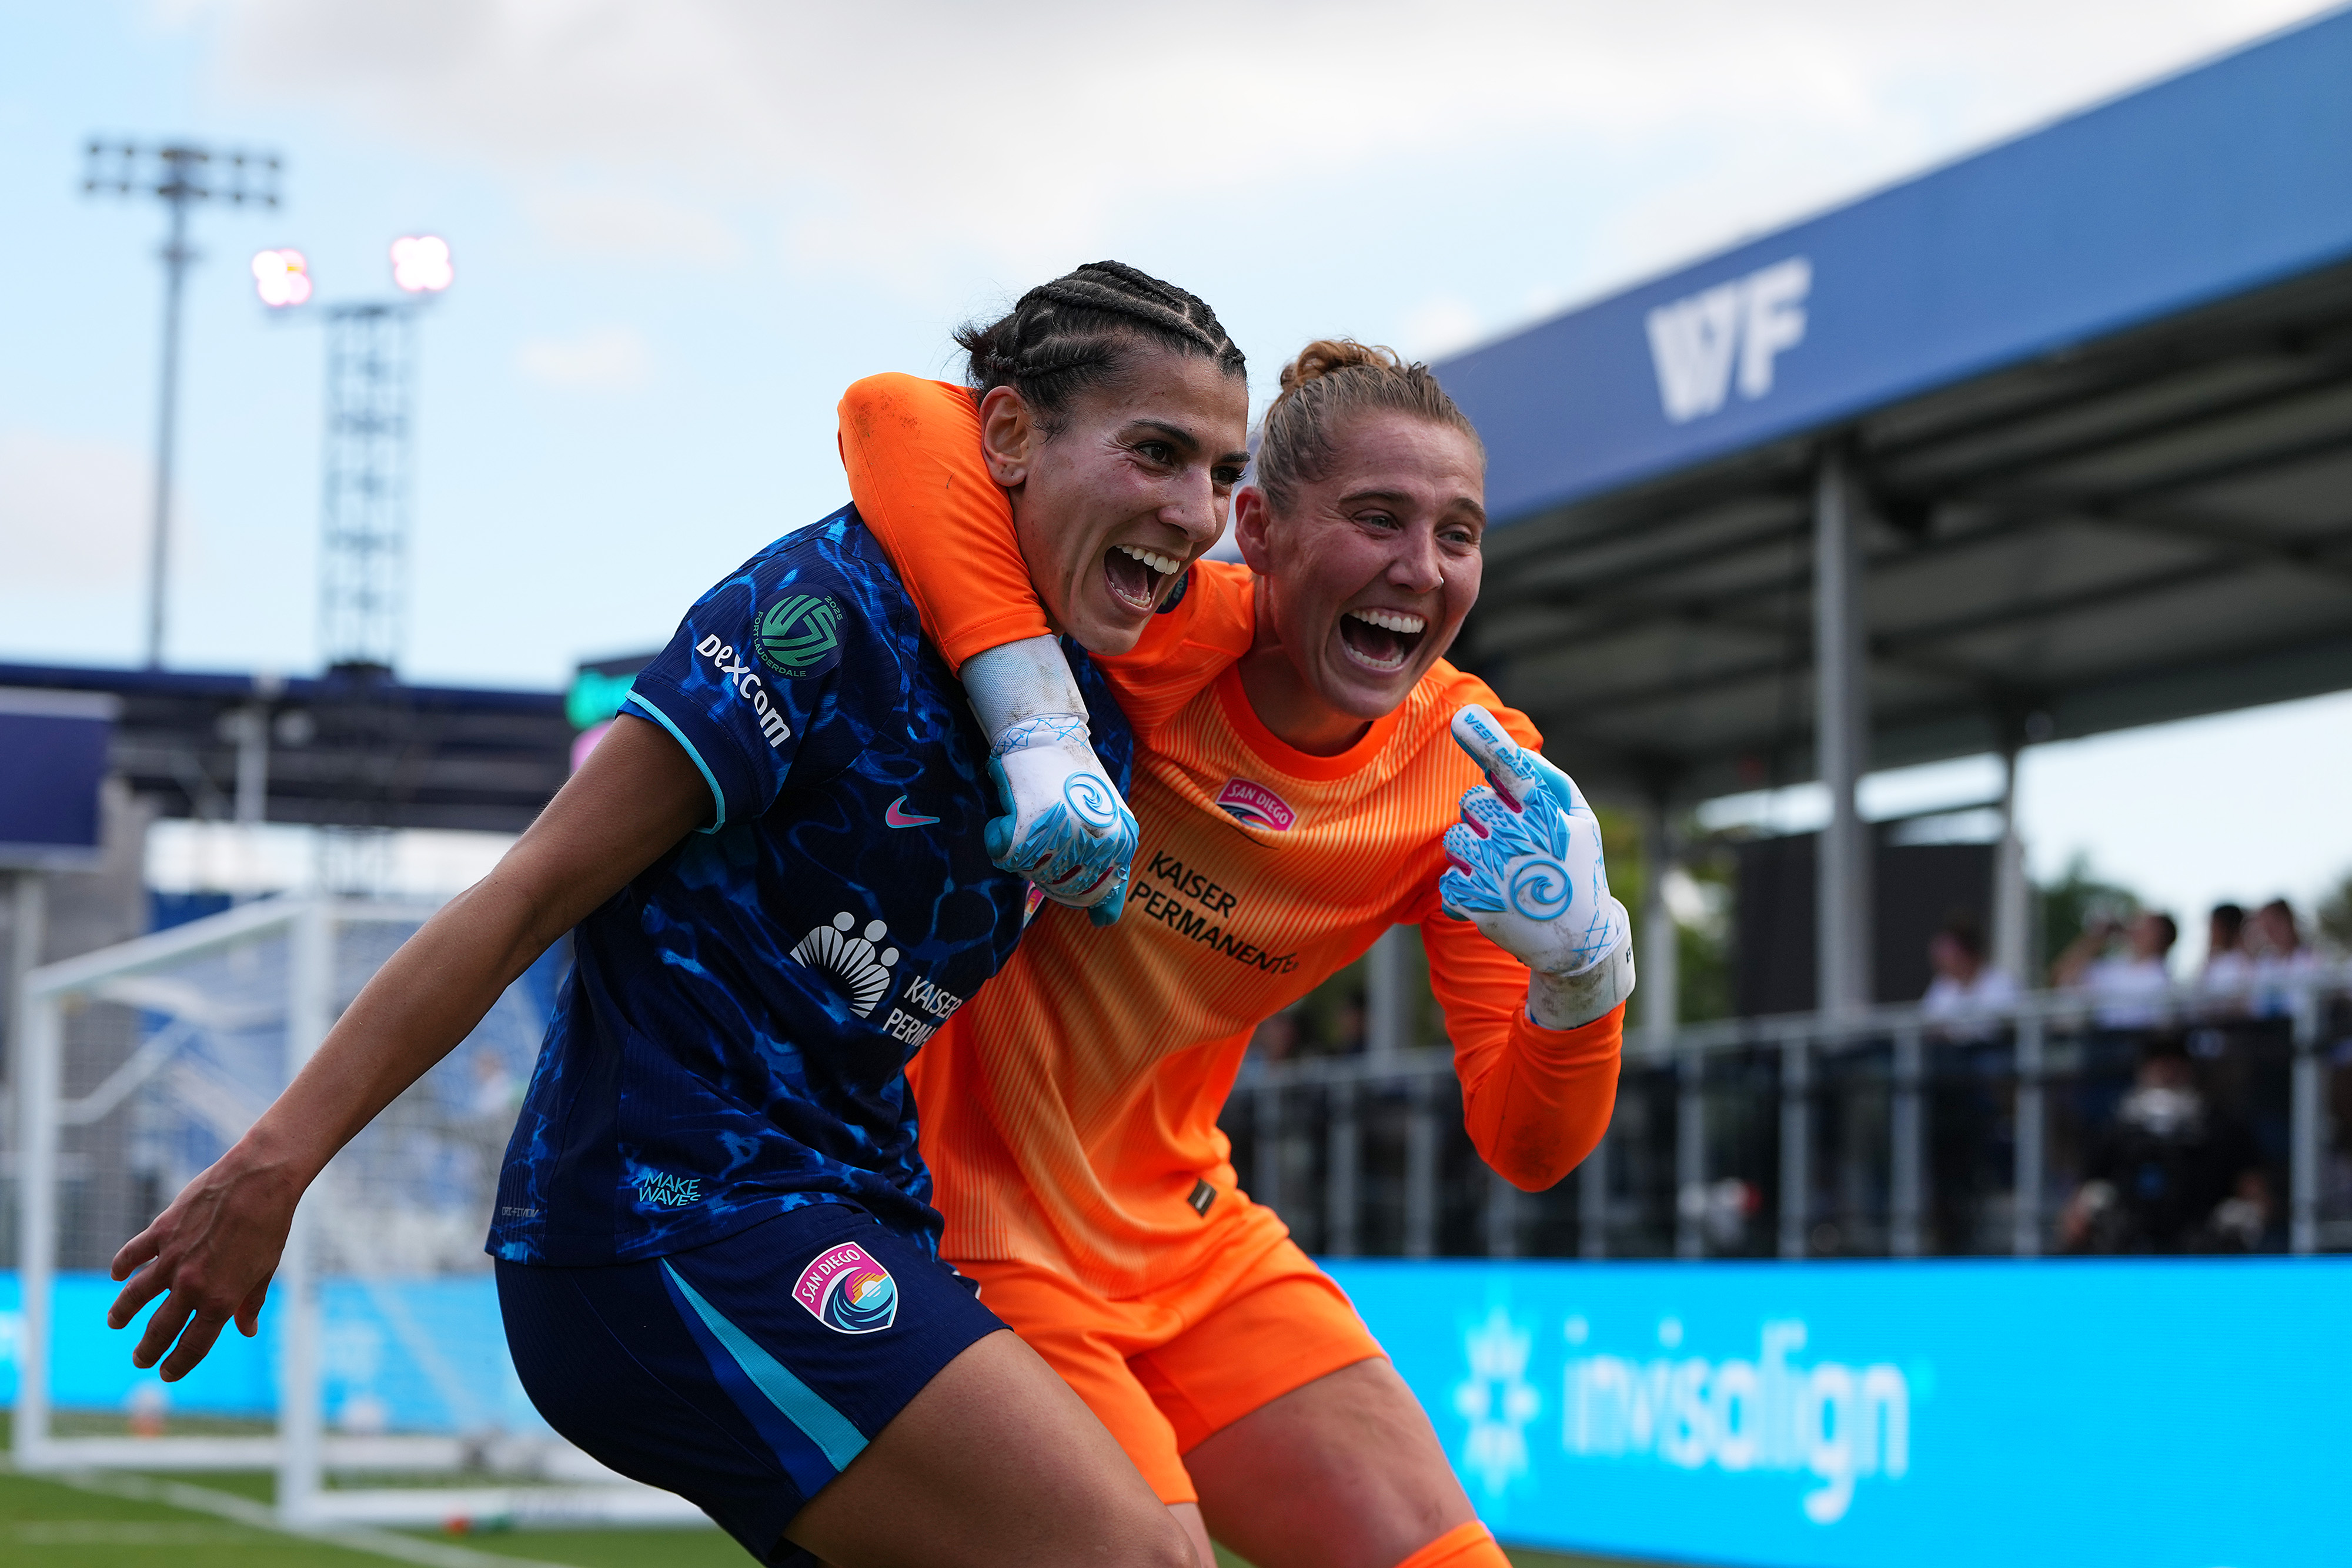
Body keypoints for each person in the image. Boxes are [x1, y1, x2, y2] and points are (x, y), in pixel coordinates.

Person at [99, 262, 1258, 1568]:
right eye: (1156, 453)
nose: (1193, 513)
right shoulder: (816, 615)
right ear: (1003, 434)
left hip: (853, 1204)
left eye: (1221, 473)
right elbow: (527, 892)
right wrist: (276, 1162)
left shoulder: (1101, 693)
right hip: (668, 1220)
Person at [836, 343, 1633, 1568]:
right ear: (1251, 527)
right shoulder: (1140, 637)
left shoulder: (1474, 769)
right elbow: (890, 414)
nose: (1417, 569)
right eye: (1376, 519)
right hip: (969, 1225)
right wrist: (1037, 711)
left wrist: (1584, 973)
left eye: (1457, 533)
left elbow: (1527, 1145)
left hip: (1193, 1237)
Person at [2058, 1035, 2268, 1253]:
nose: (2167, 1072)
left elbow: (2253, 1187)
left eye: (2175, 1064)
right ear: (2143, 1070)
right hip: (2129, 1244)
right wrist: (2085, 1211)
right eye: (2159, 1064)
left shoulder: (2221, 1127)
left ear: (2189, 1070)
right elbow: (2077, 1209)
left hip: (2200, 1242)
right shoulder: (2116, 1129)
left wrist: (2248, 1214)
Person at [2053, 909, 2179, 1030]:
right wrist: (2097, 936)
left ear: (2161, 936)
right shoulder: (2113, 967)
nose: (2136, 929)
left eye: (2146, 926)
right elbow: (2062, 976)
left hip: (2141, 1044)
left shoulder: (2162, 978)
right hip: (2105, 1041)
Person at [1920, 912, 2014, 1041]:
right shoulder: (1942, 985)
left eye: (1947, 952)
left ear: (1966, 952)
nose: (1940, 959)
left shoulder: (2002, 982)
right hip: (1951, 1055)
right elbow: (1928, 1025)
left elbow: (2000, 1029)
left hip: (1991, 1052)